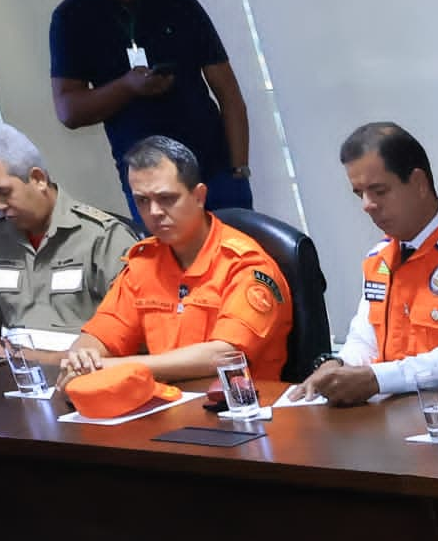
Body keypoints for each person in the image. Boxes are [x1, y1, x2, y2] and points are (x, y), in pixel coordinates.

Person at [299, 122, 438, 407]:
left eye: (379, 191)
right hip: (398, 421)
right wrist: (338, 366)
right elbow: (365, 340)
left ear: (419, 184)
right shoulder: (378, 259)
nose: (367, 205)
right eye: (360, 194)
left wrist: (377, 379)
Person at [61, 138, 292, 385]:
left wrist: (111, 367)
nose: (154, 212)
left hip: (242, 409)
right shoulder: (144, 262)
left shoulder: (245, 264)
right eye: (142, 201)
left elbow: (225, 354)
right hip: (165, 405)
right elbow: (102, 334)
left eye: (167, 198)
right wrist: (82, 358)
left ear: (199, 196)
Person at [47, 0, 253, 213]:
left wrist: (238, 171)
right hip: (149, 186)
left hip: (216, 174)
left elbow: (229, 94)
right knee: (171, 257)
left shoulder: (179, 4)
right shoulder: (71, 19)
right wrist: (127, 87)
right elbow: (68, 111)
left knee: (236, 254)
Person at [0, 121, 141, 360]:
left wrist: (38, 359)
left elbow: (129, 327)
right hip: (12, 374)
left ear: (38, 179)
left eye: (3, 192)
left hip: (83, 372)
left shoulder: (102, 236)